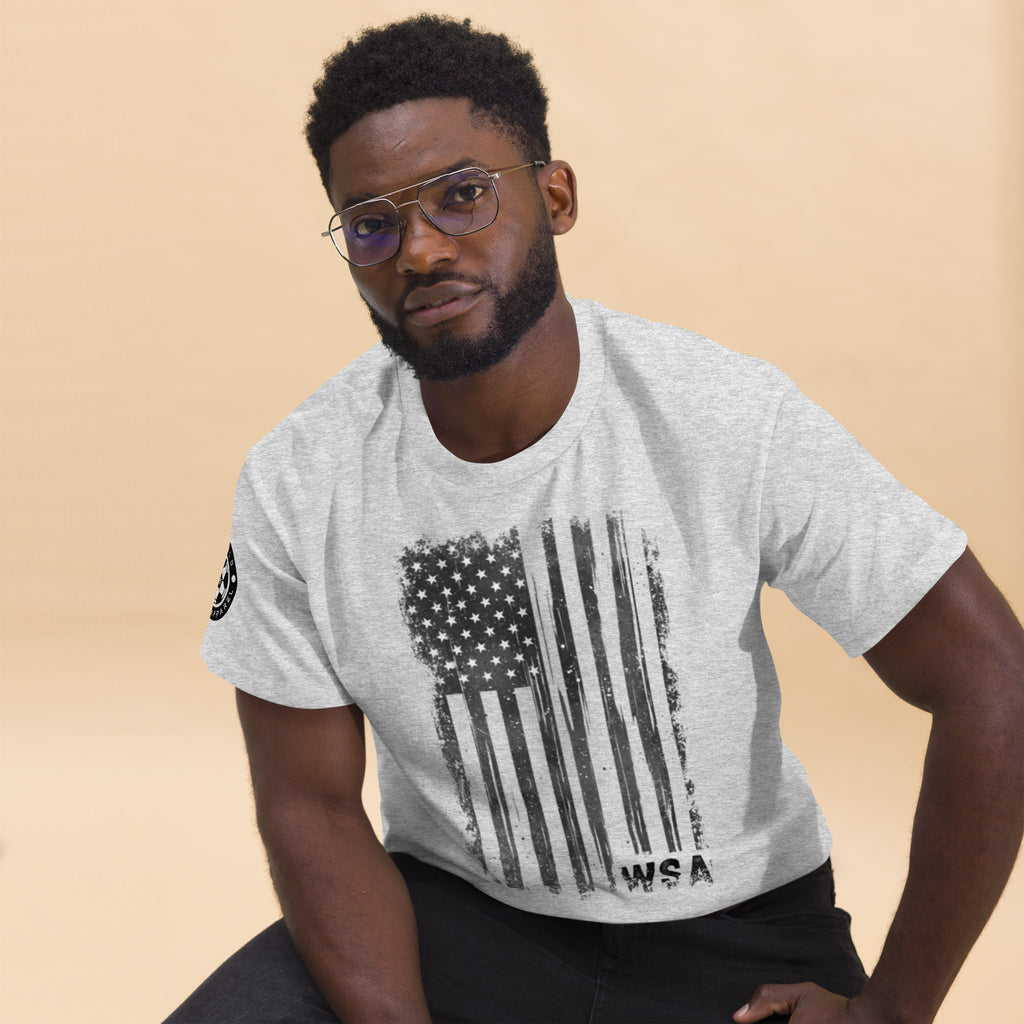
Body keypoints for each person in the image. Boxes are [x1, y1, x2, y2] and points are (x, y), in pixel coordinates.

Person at [165, 14, 1024, 1024]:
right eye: (371, 224)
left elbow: (992, 679)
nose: (421, 250)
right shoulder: (299, 477)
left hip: (734, 939)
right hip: (456, 923)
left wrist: (892, 1010)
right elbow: (307, 800)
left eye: (462, 195)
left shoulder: (720, 414)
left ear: (555, 195)